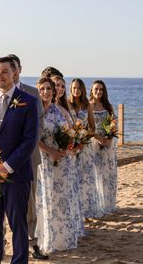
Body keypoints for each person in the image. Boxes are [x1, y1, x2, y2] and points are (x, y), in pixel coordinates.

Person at [0, 56, 39, 264]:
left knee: (18, 224)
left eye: (4, 71)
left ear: (15, 74)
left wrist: (8, 166)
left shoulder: (28, 101)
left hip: (17, 174)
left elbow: (30, 140)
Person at [35, 77, 81, 254]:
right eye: (42, 89)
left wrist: (69, 146)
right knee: (46, 198)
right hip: (44, 161)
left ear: (54, 92)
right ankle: (47, 239)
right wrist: (50, 151)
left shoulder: (59, 111)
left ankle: (62, 238)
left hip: (63, 161)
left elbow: (70, 130)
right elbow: (32, 139)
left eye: (48, 89)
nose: (45, 92)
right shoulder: (36, 112)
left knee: (62, 198)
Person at [89, 80, 118, 217]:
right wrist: (98, 137)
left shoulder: (107, 106)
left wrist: (109, 138)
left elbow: (113, 124)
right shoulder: (88, 106)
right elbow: (86, 127)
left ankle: (108, 204)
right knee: (95, 174)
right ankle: (97, 204)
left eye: (101, 89)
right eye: (96, 89)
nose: (98, 91)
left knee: (107, 174)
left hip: (108, 145)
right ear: (91, 90)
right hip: (93, 144)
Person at [70, 78, 98, 219]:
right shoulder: (67, 105)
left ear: (83, 90)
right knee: (73, 178)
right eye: (74, 87)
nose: (76, 90)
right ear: (71, 89)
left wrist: (84, 137)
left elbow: (92, 127)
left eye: (79, 88)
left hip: (85, 147)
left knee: (85, 178)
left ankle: (86, 209)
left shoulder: (86, 106)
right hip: (70, 147)